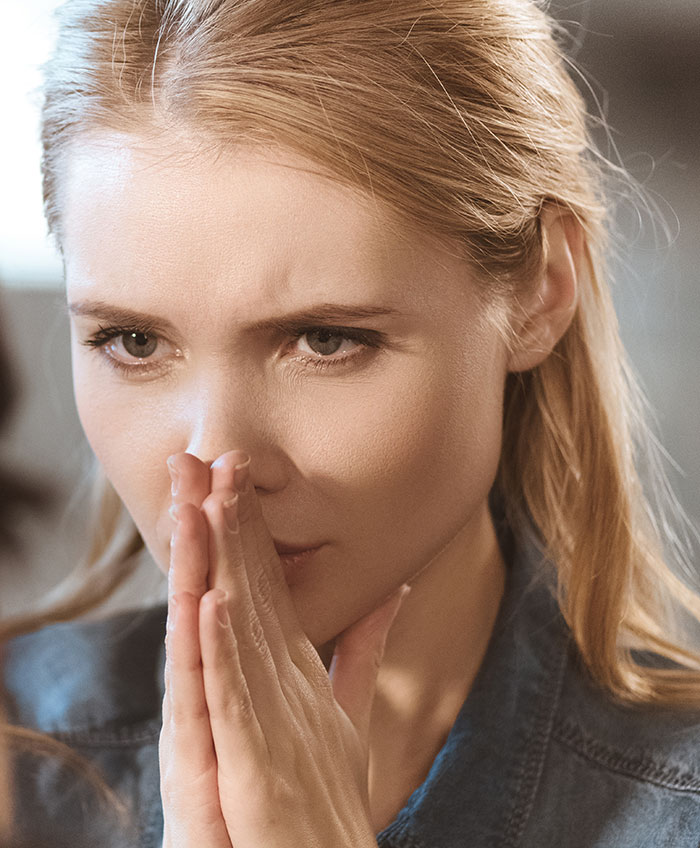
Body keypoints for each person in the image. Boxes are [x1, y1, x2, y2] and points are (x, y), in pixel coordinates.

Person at [3, 0, 700, 845]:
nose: (217, 461)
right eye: (135, 341)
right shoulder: (21, 774)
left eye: (325, 340)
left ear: (540, 291)